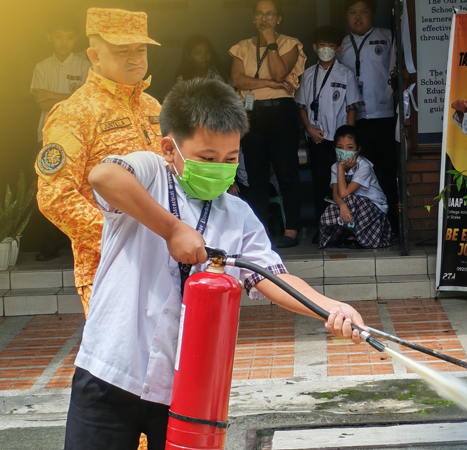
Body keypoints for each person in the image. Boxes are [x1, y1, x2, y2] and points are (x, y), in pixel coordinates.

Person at [64, 79, 367, 449]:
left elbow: (272, 277)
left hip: (186, 386)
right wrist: (172, 229)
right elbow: (103, 176)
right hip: (110, 370)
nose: (220, 168)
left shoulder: (237, 214)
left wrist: (329, 307)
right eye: (207, 159)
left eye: (230, 159)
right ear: (169, 148)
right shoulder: (149, 172)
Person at [35, 8, 163, 317]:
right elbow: (55, 198)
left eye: (141, 49)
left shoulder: (152, 106)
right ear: (94, 55)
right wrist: (120, 239)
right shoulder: (74, 113)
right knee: (117, 348)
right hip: (108, 265)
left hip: (163, 259)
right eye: (122, 50)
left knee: (166, 346)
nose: (135, 58)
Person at [230, 0, 306, 248]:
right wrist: (272, 85)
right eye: (260, 14)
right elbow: (237, 80)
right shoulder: (242, 47)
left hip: (281, 113)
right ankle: (261, 233)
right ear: (253, 17)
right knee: (256, 176)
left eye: (270, 14)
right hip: (252, 113)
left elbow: (279, 73)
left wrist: (271, 42)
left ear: (278, 18)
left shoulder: (289, 43)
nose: (264, 18)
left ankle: (291, 230)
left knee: (286, 171)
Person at [30, 14, 91, 261]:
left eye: (69, 37)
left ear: (76, 39)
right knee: (51, 188)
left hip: (81, 138)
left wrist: (52, 95)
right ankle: (51, 244)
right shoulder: (42, 66)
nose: (64, 42)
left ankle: (81, 243)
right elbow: (40, 101)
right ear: (50, 38)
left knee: (81, 189)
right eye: (59, 37)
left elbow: (85, 99)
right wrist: (70, 96)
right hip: (49, 137)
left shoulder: (85, 66)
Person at [295, 25, 363, 243]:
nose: (326, 49)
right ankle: (322, 227)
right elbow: (301, 106)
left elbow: (351, 108)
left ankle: (344, 228)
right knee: (320, 183)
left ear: (339, 49)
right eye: (322, 45)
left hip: (339, 141)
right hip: (317, 138)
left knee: (342, 183)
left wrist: (348, 140)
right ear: (315, 47)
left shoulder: (345, 73)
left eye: (331, 45)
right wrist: (309, 129)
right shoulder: (307, 74)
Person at [337, 0, 398, 229]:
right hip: (356, 121)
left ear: (372, 14)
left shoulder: (387, 37)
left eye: (363, 12)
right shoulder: (342, 45)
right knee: (361, 175)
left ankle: (393, 223)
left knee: (387, 171)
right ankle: (366, 224)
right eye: (352, 12)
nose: (358, 17)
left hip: (384, 116)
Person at [319, 125, 392, 249]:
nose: (345, 151)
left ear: (358, 150)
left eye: (350, 147)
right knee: (332, 209)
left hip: (373, 211)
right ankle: (354, 234)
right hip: (351, 208)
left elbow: (343, 193)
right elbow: (336, 195)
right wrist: (342, 206)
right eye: (340, 147)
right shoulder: (334, 167)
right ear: (334, 148)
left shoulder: (364, 166)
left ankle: (361, 234)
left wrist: (341, 168)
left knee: (354, 199)